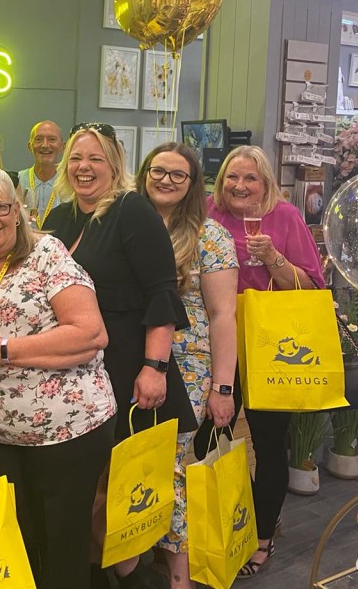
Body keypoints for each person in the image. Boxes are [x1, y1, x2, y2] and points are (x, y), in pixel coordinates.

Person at [43, 122, 193, 589]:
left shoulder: (133, 211)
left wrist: (155, 368)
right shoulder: (61, 216)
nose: (84, 168)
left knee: (121, 489)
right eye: (76, 159)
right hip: (74, 375)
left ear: (115, 166)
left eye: (95, 159)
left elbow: (161, 294)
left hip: (128, 368)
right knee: (85, 489)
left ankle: (128, 574)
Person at [0, 166, 116, 589]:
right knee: (19, 547)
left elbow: (91, 333)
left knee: (63, 548)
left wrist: (8, 350)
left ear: (17, 210)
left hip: (67, 431)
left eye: (0, 207)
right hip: (1, 437)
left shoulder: (46, 254)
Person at [208, 145, 324, 578]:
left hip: (268, 346)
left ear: (266, 183)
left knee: (270, 445)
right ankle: (217, 524)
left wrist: (273, 257)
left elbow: (312, 287)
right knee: (209, 439)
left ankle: (261, 535)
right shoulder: (207, 213)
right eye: (232, 177)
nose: (240, 186)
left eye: (250, 178)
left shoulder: (286, 217)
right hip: (215, 345)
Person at [137, 143, 238, 589]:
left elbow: (223, 316)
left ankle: (182, 579)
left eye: (179, 175)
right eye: (159, 171)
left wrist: (223, 388)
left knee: (177, 473)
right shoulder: (128, 228)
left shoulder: (210, 236)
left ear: (194, 184)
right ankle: (136, 558)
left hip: (188, 370)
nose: (166, 180)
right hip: (129, 364)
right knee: (138, 468)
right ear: (144, 174)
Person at [18, 120, 66, 228]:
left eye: (52, 139)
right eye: (39, 139)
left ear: (62, 146)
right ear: (30, 146)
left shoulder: (70, 183)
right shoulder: (17, 182)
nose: (45, 145)